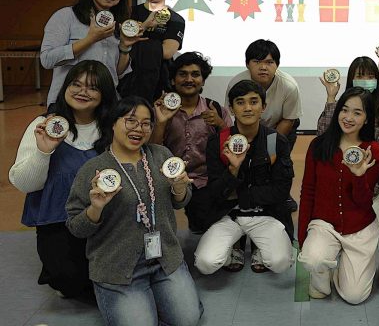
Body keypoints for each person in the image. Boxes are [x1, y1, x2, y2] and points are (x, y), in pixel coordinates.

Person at [66, 96, 202, 326]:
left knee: (188, 319)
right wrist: (95, 208)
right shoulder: (93, 169)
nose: (139, 128)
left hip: (165, 258)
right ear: (113, 123)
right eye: (130, 121)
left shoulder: (161, 155)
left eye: (146, 123)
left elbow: (180, 201)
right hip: (117, 267)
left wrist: (180, 190)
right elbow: (75, 226)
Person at [10, 60, 117, 298]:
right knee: (71, 280)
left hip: (105, 220)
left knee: (117, 274)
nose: (82, 91)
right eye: (76, 84)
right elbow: (24, 184)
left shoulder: (114, 128)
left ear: (105, 94)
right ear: (65, 87)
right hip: (58, 222)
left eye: (92, 87)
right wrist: (44, 152)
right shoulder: (43, 125)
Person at [194, 80, 295, 275]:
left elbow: (281, 190)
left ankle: (259, 246)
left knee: (280, 263)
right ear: (231, 109)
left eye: (253, 102)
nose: (247, 108)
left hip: (265, 214)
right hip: (228, 215)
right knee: (206, 264)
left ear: (263, 107)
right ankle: (235, 246)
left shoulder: (274, 142)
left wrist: (241, 195)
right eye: (240, 102)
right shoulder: (219, 142)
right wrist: (233, 170)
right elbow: (215, 191)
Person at [298, 88, 379, 303]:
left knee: (354, 296)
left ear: (367, 119)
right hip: (324, 224)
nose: (348, 117)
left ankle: (342, 266)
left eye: (357, 113)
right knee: (312, 259)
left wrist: (358, 176)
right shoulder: (319, 145)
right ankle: (322, 271)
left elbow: (364, 202)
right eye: (344, 110)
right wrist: (303, 238)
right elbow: (308, 191)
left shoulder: (372, 150)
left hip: (360, 226)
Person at [150, 52, 231, 233]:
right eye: (183, 74)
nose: (189, 79)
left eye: (195, 74)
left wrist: (220, 125)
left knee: (203, 226)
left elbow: (231, 148)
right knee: (157, 225)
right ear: (173, 80)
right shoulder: (159, 109)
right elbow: (151, 151)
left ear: (203, 81)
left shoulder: (216, 110)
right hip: (166, 178)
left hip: (204, 180)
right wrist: (161, 122)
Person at [40, 0, 133, 105]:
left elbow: (118, 73)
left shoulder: (118, 24)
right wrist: (90, 39)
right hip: (69, 102)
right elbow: (47, 60)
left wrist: (125, 47)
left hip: (106, 103)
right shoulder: (66, 16)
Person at [119, 0, 185, 103]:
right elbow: (117, 47)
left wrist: (133, 39)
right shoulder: (127, 13)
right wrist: (145, 25)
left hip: (159, 86)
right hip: (125, 84)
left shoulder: (176, 19)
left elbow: (167, 52)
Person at [227, 39, 302, 150]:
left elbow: (288, 119)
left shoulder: (289, 86)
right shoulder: (236, 83)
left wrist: (268, 146)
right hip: (246, 127)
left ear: (277, 65)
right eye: (257, 62)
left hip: (280, 125)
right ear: (247, 64)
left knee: (274, 156)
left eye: (269, 62)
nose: (263, 67)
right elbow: (234, 116)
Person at [317, 56, 379, 149]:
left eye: (370, 77)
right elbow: (322, 136)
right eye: (360, 76)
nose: (365, 81)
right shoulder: (339, 107)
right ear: (351, 79)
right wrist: (331, 97)